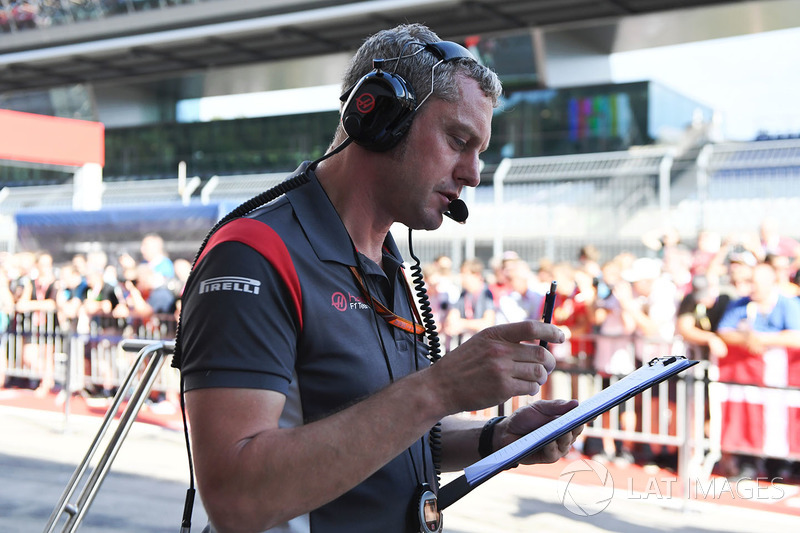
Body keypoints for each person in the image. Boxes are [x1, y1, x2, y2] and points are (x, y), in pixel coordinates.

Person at [176, 24, 581, 533]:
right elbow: (235, 498)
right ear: (381, 116)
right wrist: (439, 388)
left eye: (480, 152)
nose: (473, 174)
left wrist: (498, 436)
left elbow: (389, 433)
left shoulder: (387, 264)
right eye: (459, 140)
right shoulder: (253, 254)